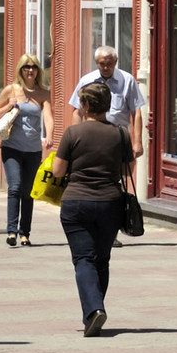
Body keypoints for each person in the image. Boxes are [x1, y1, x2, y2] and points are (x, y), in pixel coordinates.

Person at [55, 80, 131, 335]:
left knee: (83, 259)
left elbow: (58, 170)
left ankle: (94, 310)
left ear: (86, 106)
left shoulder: (72, 133)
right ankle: (94, 313)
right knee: (102, 259)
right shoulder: (121, 134)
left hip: (77, 202)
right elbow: (126, 170)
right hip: (110, 202)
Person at [0, 52, 53, 248]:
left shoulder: (43, 93)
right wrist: (8, 106)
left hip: (33, 150)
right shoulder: (11, 90)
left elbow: (48, 117)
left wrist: (49, 135)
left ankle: (24, 233)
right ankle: (11, 231)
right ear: (21, 69)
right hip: (12, 147)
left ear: (38, 71)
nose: (30, 70)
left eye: (34, 67)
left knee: (28, 192)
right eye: (26, 66)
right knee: (15, 187)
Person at [67, 45, 144, 160]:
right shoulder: (86, 81)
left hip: (118, 138)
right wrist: (76, 139)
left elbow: (136, 112)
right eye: (102, 64)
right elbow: (77, 112)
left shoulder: (127, 80)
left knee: (121, 170)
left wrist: (137, 142)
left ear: (116, 61)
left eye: (109, 64)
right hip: (92, 138)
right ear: (96, 62)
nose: (106, 68)